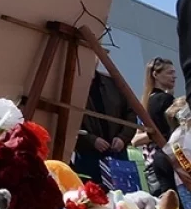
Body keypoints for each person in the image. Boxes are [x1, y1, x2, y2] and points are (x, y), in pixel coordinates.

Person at [72, 67, 131, 188]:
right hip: (88, 155)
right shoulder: (72, 83)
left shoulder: (113, 82)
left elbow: (130, 112)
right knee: (94, 198)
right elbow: (70, 121)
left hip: (117, 153)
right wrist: (91, 140)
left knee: (125, 196)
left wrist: (123, 137)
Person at [133, 57, 179, 195]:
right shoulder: (164, 100)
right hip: (169, 162)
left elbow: (135, 140)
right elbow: (173, 132)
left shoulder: (145, 104)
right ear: (156, 75)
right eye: (170, 73)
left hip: (151, 165)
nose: (174, 76)